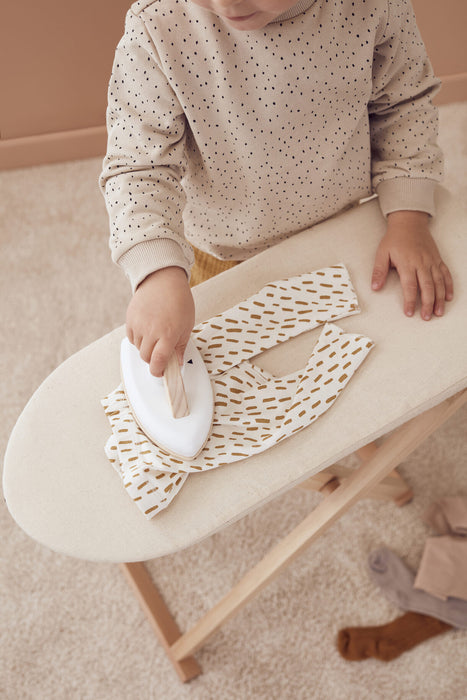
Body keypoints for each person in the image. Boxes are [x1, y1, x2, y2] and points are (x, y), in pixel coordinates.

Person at [99, 0, 454, 377]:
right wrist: (157, 273)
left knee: (354, 370)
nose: (227, 3)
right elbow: (138, 165)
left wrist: (408, 217)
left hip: (343, 236)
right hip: (222, 252)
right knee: (242, 379)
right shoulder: (157, 25)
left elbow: (404, 105)